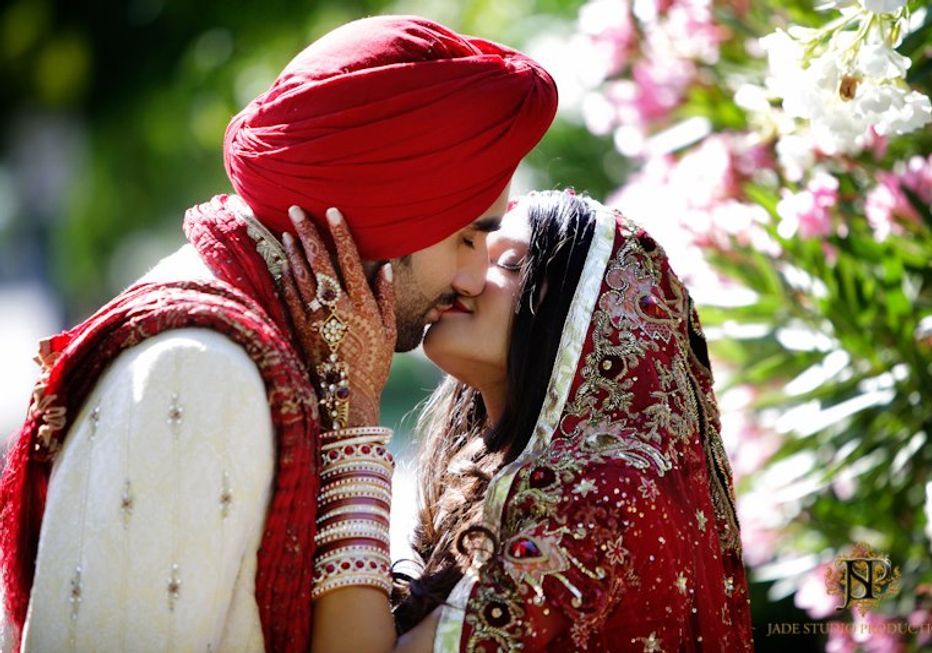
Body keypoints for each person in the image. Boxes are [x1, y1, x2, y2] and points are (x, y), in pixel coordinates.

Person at [0, 16, 557, 653]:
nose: (474, 277)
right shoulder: (200, 369)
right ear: (379, 210)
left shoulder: (266, 344)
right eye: (466, 237)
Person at [281, 190, 755, 651]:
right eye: (467, 248)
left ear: (586, 320)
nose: (465, 279)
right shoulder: (493, 469)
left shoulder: (603, 495)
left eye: (507, 263)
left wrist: (353, 406)